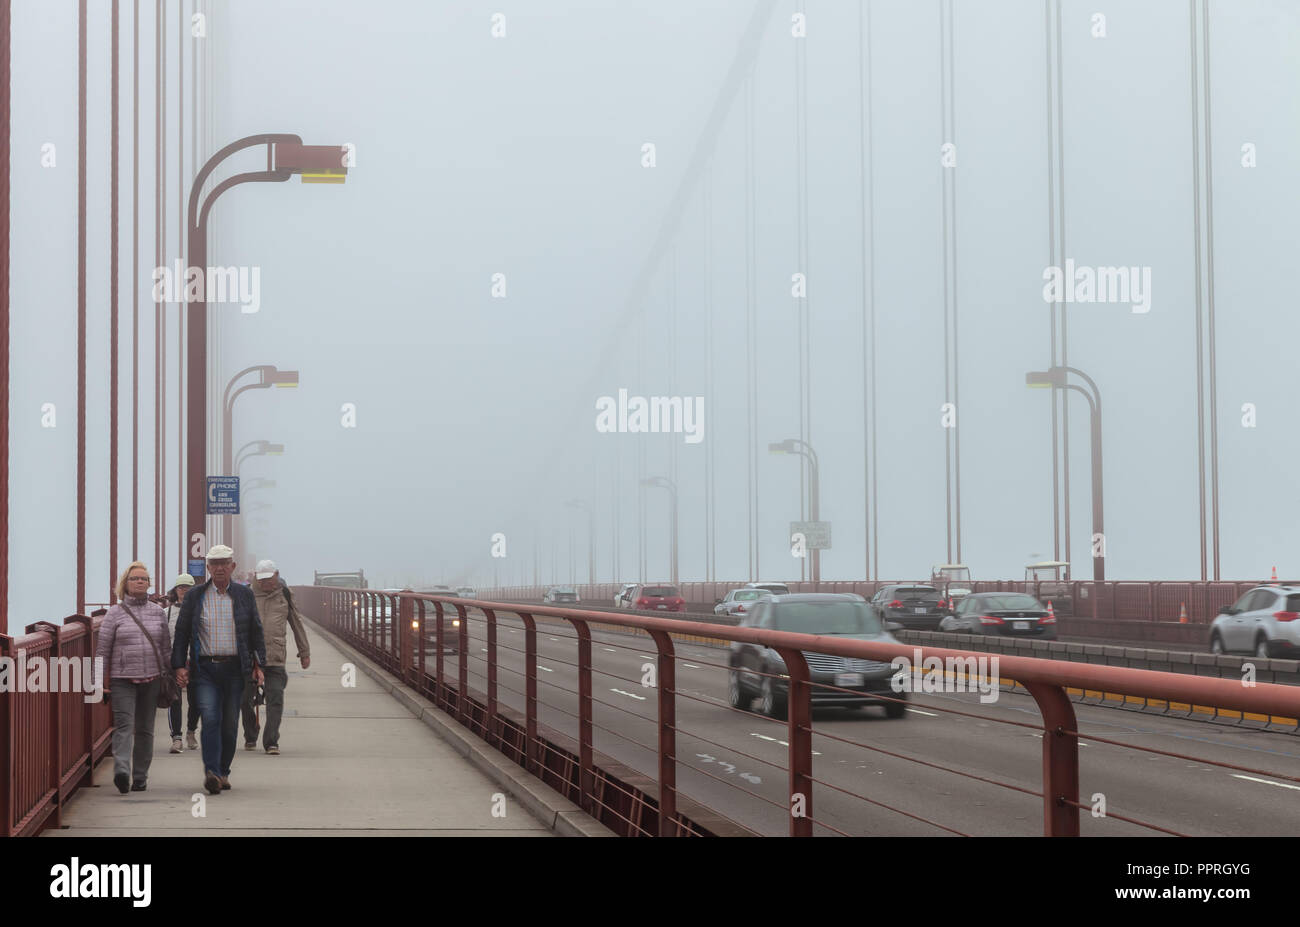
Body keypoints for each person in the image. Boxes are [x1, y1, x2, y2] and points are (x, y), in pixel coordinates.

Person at [172, 545, 266, 796]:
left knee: (230, 724)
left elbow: (255, 631)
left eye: (225, 563)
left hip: (236, 670)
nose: (220, 567)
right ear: (209, 568)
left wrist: (259, 665)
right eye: (215, 564)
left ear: (232, 566)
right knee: (211, 718)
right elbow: (181, 633)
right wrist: (179, 665)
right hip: (205, 669)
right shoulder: (195, 596)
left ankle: (224, 771)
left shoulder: (244, 596)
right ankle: (211, 772)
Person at [96, 562, 171, 794]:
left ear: (149, 584)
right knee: (124, 726)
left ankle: (140, 776)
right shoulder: (114, 613)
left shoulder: (158, 612)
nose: (140, 582)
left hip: (152, 678)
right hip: (122, 680)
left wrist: (176, 672)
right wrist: (97, 682)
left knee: (146, 729)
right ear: (125, 584)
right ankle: (122, 772)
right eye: (135, 578)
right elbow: (102, 651)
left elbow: (166, 648)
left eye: (144, 579)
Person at [241, 560, 311, 754]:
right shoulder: (246, 594)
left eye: (269, 579)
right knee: (244, 699)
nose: (266, 583)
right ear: (256, 577)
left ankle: (271, 741)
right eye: (262, 580)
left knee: (276, 698)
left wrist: (304, 652)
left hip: (275, 657)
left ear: (277, 574)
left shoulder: (285, 595)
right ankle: (250, 734)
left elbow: (297, 624)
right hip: (249, 657)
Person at [165, 573, 200, 753]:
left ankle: (191, 731)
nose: (184, 591)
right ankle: (176, 738)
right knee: (175, 700)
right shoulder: (167, 613)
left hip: (196, 661)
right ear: (175, 590)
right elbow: (161, 639)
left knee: (197, 701)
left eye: (188, 588)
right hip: (175, 662)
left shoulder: (202, 610)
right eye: (181, 587)